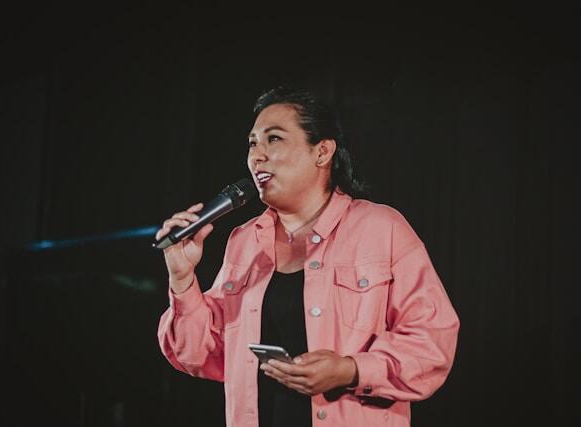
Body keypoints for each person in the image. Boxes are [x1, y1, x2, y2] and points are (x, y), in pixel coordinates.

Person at [157, 86, 460, 427]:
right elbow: (199, 354)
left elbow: (432, 344)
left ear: (322, 151)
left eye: (274, 139)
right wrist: (182, 280)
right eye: (253, 143)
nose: (257, 155)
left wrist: (349, 370)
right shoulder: (244, 242)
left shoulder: (381, 228)